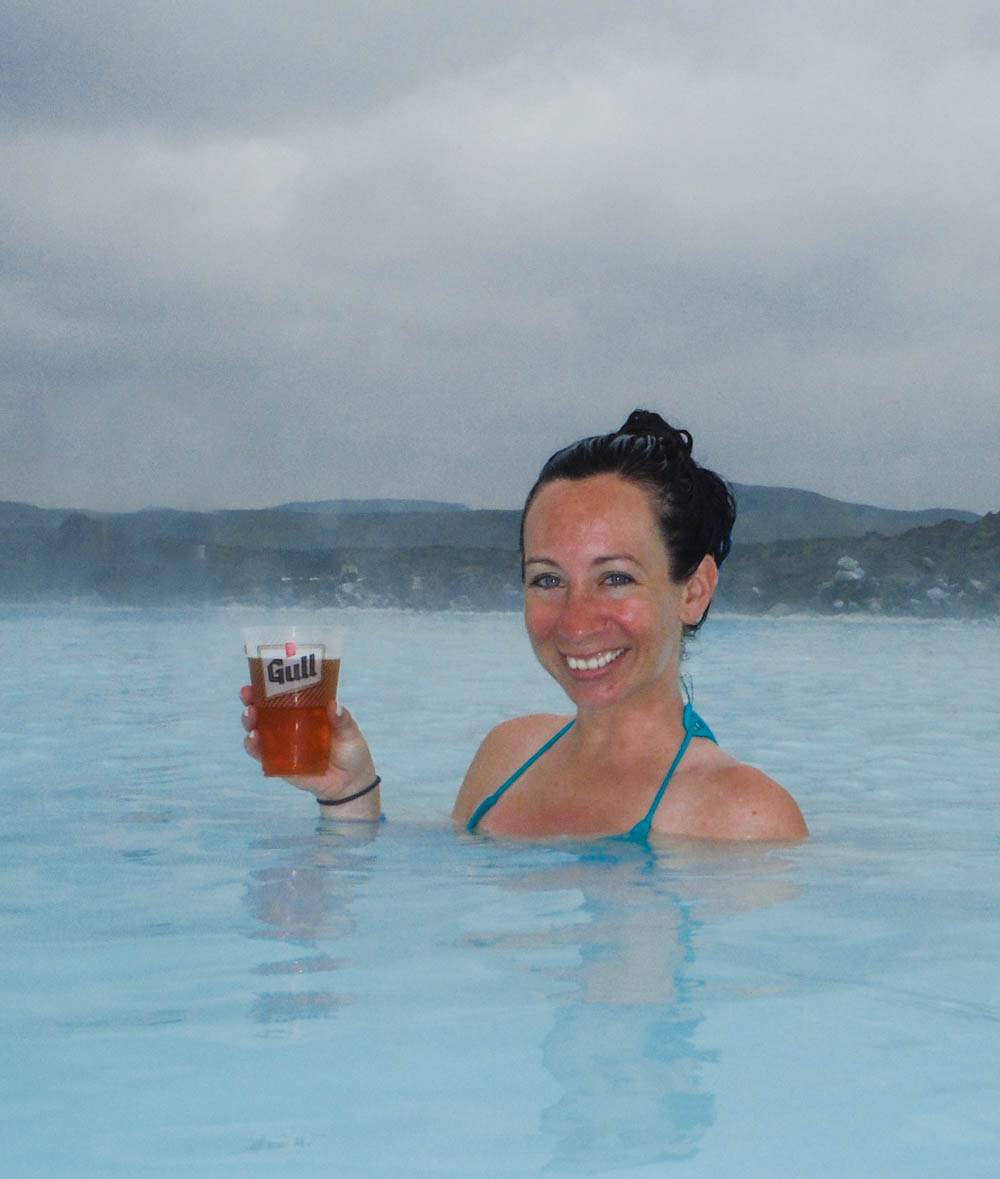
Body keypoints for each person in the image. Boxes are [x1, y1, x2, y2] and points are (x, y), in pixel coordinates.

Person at [241, 410, 807, 842]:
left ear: (695, 591)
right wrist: (350, 795)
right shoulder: (509, 755)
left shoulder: (742, 815)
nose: (575, 623)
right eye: (547, 580)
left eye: (614, 578)